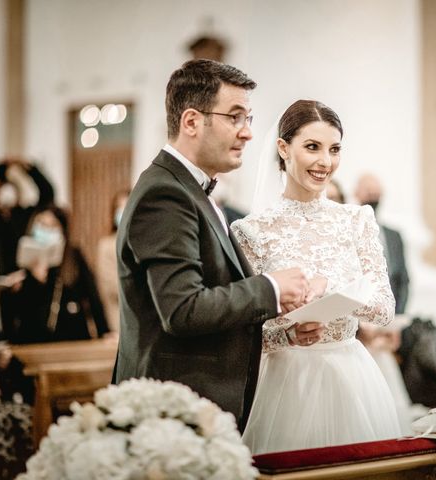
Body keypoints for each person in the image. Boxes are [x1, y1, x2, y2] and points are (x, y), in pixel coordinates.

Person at [112, 59, 309, 431]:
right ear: (191, 121)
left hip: (195, 408)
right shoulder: (165, 194)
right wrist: (271, 287)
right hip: (171, 416)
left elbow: (214, 300)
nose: (248, 133)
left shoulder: (189, 189)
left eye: (249, 119)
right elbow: (183, 309)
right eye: (235, 117)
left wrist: (281, 328)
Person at [232, 99, 401, 454]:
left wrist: (332, 293)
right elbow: (244, 327)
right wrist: (287, 333)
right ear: (283, 148)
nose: (326, 162)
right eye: (312, 147)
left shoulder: (357, 221)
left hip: (351, 376)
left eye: (334, 149)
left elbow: (384, 309)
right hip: (285, 383)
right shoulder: (252, 231)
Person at [1, 205, 109, 343]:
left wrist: (104, 331)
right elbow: (15, 307)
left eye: (52, 226)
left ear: (62, 231)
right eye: (41, 224)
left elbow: (92, 294)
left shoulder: (72, 256)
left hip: (71, 334)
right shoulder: (21, 257)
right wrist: (34, 281)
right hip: (32, 338)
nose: (45, 230)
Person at [355, 173, 409, 314]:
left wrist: (398, 314)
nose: (373, 197)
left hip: (391, 314)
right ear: (356, 193)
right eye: (368, 192)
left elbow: (403, 279)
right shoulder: (350, 231)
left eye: (376, 193)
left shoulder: (394, 235)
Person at [96, 188, 130, 333]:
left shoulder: (149, 243)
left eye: (127, 207)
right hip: (119, 322)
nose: (123, 212)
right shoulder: (106, 245)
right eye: (119, 208)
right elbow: (113, 287)